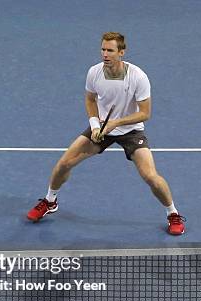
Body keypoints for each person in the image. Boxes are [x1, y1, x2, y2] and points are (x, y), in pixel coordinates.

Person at [27, 32, 185, 235]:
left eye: (110, 50)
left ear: (121, 52)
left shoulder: (138, 76)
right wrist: (95, 125)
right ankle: (50, 201)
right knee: (64, 164)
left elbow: (145, 113)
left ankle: (173, 213)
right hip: (101, 129)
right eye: (103, 49)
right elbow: (90, 100)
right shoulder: (94, 72)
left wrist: (116, 122)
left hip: (130, 130)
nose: (105, 54)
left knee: (151, 176)